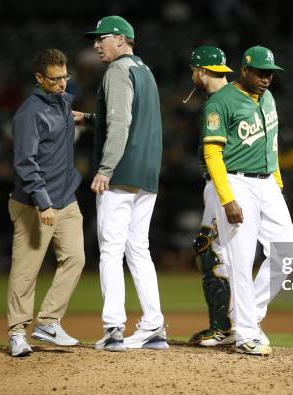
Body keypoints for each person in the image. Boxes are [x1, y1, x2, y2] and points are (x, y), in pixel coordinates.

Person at [202, 46, 293, 356]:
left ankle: (248, 317)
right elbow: (212, 152)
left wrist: (277, 184)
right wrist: (226, 198)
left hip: (267, 182)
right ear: (244, 70)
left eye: (270, 73)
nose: (266, 78)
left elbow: (272, 143)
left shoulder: (268, 98)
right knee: (240, 261)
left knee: (287, 251)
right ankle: (245, 334)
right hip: (236, 181)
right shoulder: (221, 102)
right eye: (260, 72)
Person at [79, 16, 166, 352]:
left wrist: (105, 168)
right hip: (147, 173)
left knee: (111, 251)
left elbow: (120, 122)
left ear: (120, 38)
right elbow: (134, 118)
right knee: (138, 249)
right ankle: (154, 324)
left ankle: (114, 327)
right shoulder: (144, 70)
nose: (96, 45)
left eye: (101, 38)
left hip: (121, 172)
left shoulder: (116, 71)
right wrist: (87, 118)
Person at [7, 49, 85, 357]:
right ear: (39, 79)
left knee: (76, 258)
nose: (63, 83)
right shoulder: (29, 112)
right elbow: (25, 163)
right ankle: (16, 332)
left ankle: (49, 322)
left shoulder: (64, 102)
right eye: (56, 79)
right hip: (35, 203)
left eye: (66, 76)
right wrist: (42, 201)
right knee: (27, 269)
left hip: (66, 198)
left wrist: (88, 119)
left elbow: (72, 118)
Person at [183, 45, 236, 347]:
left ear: (202, 71)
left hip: (223, 183)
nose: (193, 75)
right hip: (231, 183)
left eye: (194, 70)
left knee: (212, 251)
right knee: (221, 252)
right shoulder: (237, 96)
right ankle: (230, 324)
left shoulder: (217, 102)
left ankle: (224, 327)